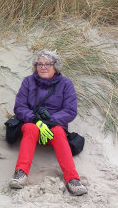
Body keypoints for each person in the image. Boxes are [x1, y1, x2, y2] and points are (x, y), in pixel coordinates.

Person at [9, 49, 87, 196]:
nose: (43, 67)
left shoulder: (66, 84)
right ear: (35, 66)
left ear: (55, 66)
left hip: (54, 126)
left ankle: (73, 179)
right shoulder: (28, 81)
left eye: (47, 64)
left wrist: (49, 122)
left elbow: (70, 110)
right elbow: (19, 107)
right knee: (31, 128)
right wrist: (36, 120)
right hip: (32, 123)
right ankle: (20, 174)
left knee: (58, 132)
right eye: (39, 64)